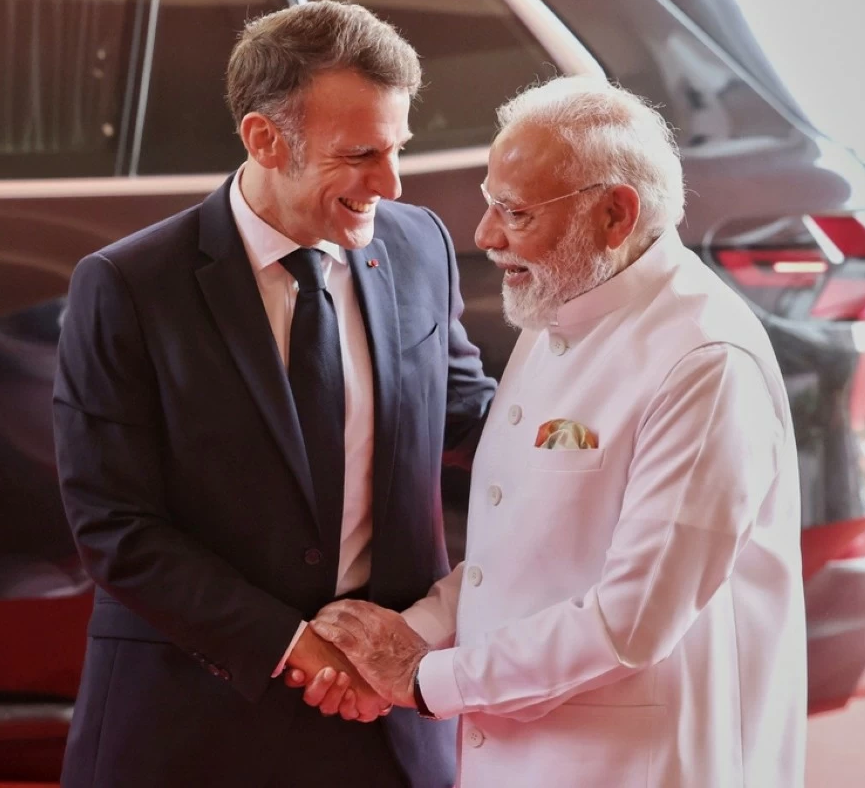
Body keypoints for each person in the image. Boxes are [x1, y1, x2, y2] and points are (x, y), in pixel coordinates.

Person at [306, 76, 808, 787]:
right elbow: (517, 556)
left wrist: (424, 678)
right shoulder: (564, 301)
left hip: (637, 760)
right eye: (489, 204)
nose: (484, 237)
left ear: (615, 214)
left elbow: (630, 621)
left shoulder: (704, 359)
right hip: (520, 748)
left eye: (514, 212)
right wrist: (405, 634)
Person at [52, 0, 494, 788]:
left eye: (398, 150)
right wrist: (291, 644)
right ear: (263, 138)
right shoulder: (128, 286)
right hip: (189, 723)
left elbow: (469, 414)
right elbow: (112, 523)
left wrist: (608, 414)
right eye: (361, 153)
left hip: (384, 721)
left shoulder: (419, 244)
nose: (389, 184)